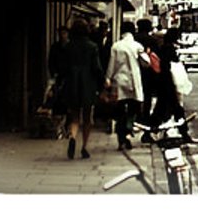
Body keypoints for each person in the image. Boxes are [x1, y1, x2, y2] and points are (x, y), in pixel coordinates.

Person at [61, 20, 103, 160]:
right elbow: (96, 68)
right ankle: (84, 147)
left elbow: (63, 68)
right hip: (87, 85)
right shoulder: (92, 47)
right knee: (87, 118)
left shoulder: (68, 47)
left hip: (72, 84)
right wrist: (102, 83)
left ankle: (73, 137)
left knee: (74, 117)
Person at [147, 27, 193, 144]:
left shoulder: (164, 48)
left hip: (164, 83)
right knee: (175, 109)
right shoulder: (169, 49)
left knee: (163, 109)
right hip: (168, 83)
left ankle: (149, 132)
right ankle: (184, 133)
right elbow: (170, 67)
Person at [105, 21, 146, 150]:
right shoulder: (138, 46)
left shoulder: (116, 46)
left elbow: (112, 64)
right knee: (133, 109)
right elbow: (146, 63)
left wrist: (108, 78)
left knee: (119, 111)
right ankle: (128, 130)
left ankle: (121, 138)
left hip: (119, 81)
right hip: (134, 82)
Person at [135, 19, 160, 123]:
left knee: (136, 94)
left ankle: (136, 115)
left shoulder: (135, 39)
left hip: (136, 69)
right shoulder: (153, 40)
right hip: (149, 72)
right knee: (147, 94)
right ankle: (145, 116)